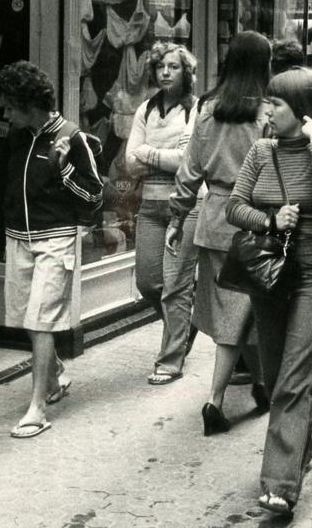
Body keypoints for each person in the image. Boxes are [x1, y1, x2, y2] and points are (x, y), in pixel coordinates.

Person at [0, 61, 103, 438]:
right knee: (27, 320)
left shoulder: (71, 137)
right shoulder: (16, 137)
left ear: (29, 103)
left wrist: (64, 171)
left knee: (40, 321)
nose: (6, 114)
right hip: (19, 239)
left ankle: (37, 408)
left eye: (10, 107)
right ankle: (55, 374)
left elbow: (95, 197)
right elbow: (1, 181)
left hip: (56, 239)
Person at [226, 66, 312, 516]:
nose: (267, 110)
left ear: (303, 110)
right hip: (268, 273)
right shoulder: (261, 152)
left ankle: (279, 484)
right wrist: (269, 220)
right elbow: (232, 207)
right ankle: (298, 450)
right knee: (279, 375)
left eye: (276, 103)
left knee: (296, 377)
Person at [168, 32, 273, 435]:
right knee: (241, 315)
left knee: (238, 312)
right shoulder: (267, 114)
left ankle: (260, 385)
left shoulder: (208, 109)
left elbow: (189, 172)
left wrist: (178, 218)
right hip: (255, 219)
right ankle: (215, 400)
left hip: (214, 220)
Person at [125, 42, 200, 385]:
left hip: (184, 206)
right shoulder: (146, 110)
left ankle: (171, 359)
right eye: (161, 67)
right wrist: (164, 156)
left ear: (186, 73)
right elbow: (128, 163)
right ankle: (185, 324)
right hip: (150, 207)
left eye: (174, 67)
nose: (166, 72)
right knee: (148, 282)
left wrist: (148, 154)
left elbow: (186, 163)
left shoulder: (195, 110)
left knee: (175, 287)